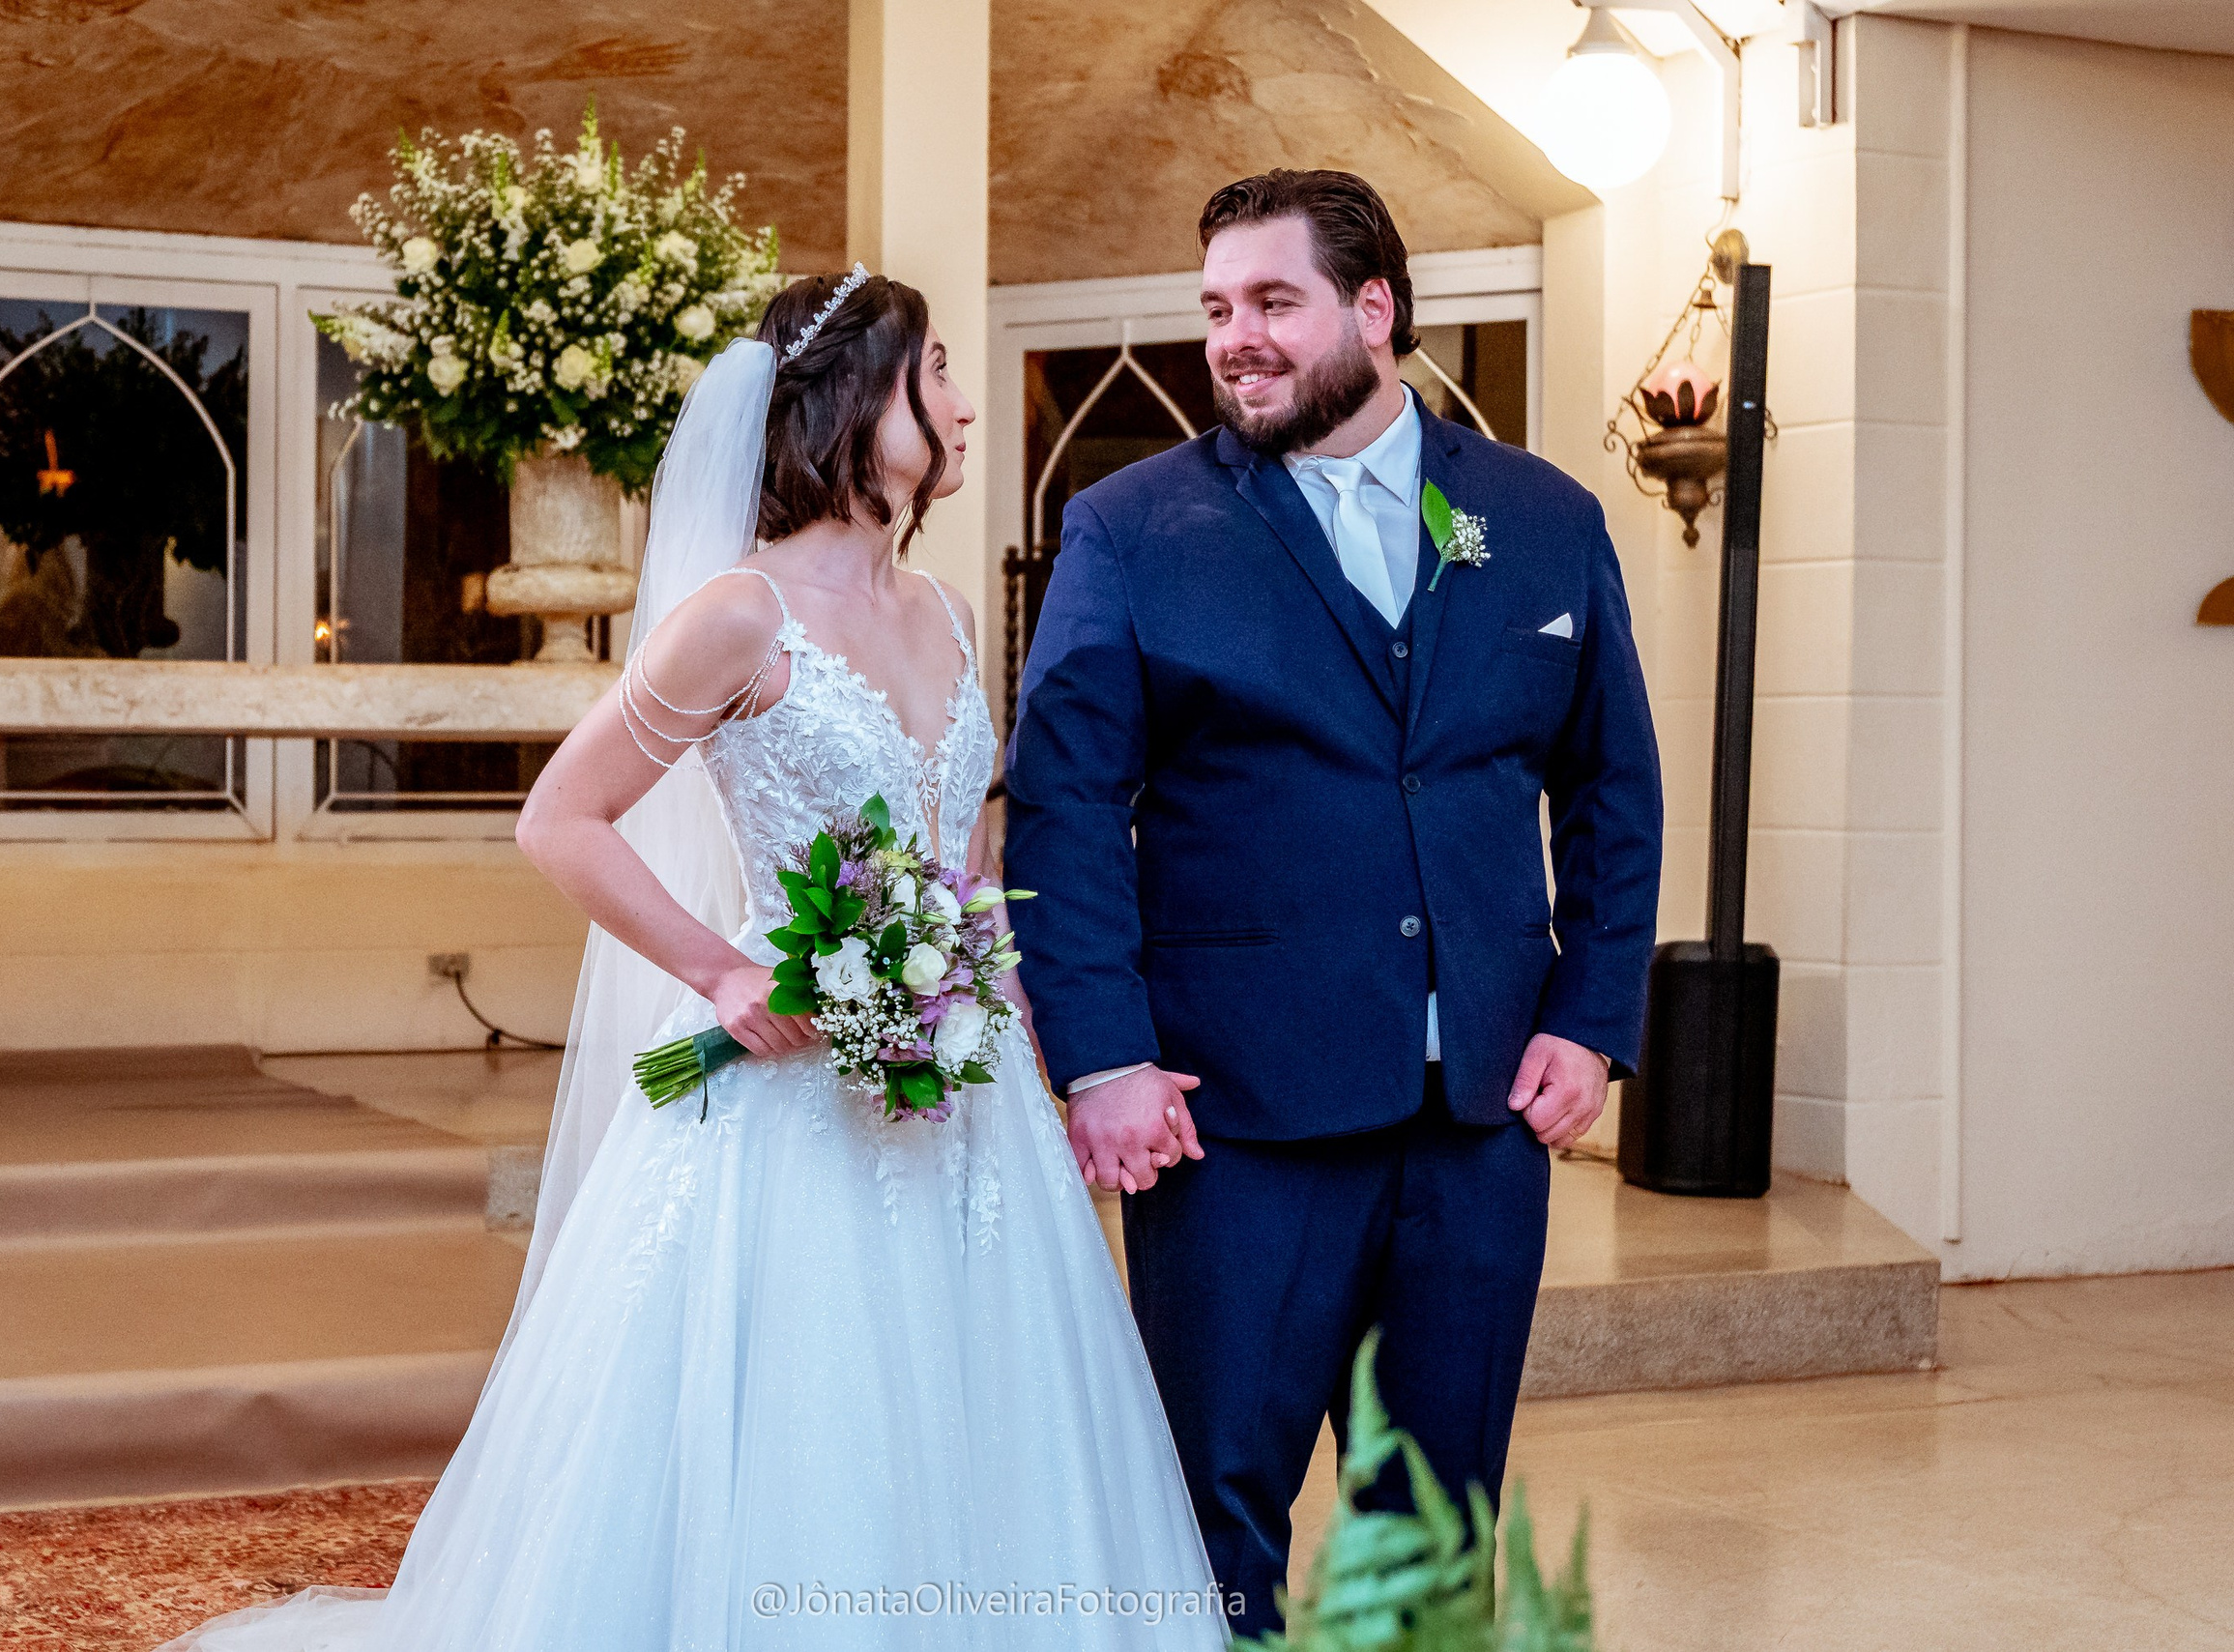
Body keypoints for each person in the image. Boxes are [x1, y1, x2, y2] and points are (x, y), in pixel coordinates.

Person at [159, 272, 1227, 1650]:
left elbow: (966, 867)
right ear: (855, 400)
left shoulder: (955, 614)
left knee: (999, 1414)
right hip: (787, 1098)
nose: (966, 405)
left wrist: (1023, 1023)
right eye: (939, 371)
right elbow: (561, 818)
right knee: (806, 1419)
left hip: (967, 1105)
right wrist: (725, 973)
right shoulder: (739, 614)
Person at [1003, 168, 1663, 1639]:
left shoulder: (1540, 518)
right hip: (1232, 1116)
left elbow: (1613, 787)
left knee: (1434, 1522)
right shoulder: (1130, 528)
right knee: (1208, 1513)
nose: (1234, 338)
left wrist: (1590, 1017)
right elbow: (1063, 810)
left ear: (1375, 310)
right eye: (1216, 308)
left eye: (1272, 302)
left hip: (1480, 1113)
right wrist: (1102, 1059)